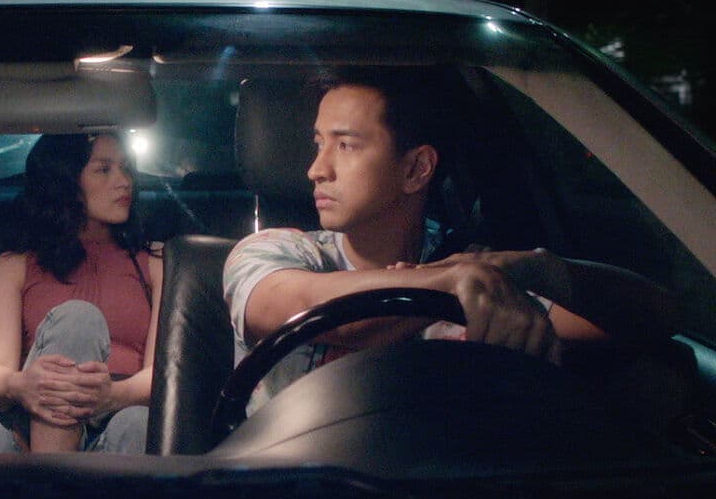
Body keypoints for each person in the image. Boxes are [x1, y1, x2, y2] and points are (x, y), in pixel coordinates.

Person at [223, 66, 680, 414]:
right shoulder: (275, 252)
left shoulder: (480, 274)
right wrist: (450, 282)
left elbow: (654, 316)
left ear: (416, 168)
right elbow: (296, 306)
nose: (316, 169)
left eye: (345, 145)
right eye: (318, 143)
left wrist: (538, 269)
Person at [0, 133, 163, 453]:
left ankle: (58, 481)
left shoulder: (156, 262)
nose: (124, 182)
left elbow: (164, 374)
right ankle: (55, 472)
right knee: (79, 319)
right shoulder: (14, 266)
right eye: (103, 170)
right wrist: (22, 385)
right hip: (31, 424)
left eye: (126, 168)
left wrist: (110, 396)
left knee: (138, 423)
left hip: (121, 413)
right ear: (65, 183)